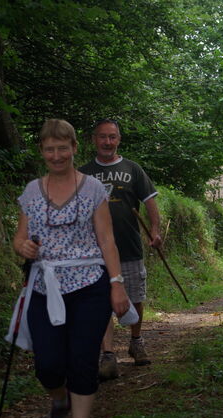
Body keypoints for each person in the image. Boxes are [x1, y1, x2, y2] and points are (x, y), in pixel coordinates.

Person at [10, 119, 130, 418]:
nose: (57, 155)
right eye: (50, 149)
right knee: (47, 365)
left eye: (63, 148)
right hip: (44, 287)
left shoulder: (92, 189)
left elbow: (106, 240)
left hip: (89, 285)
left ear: (74, 148)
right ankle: (59, 398)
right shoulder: (31, 192)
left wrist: (116, 284)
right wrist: (24, 247)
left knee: (82, 359)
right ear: (42, 151)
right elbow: (19, 238)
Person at [79, 118, 162, 380]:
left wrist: (156, 230)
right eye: (102, 137)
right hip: (94, 252)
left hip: (129, 245)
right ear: (94, 140)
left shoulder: (133, 169)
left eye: (112, 137)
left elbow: (149, 202)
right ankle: (108, 355)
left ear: (119, 139)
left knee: (135, 296)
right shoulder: (82, 174)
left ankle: (136, 342)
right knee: (102, 302)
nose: (107, 142)